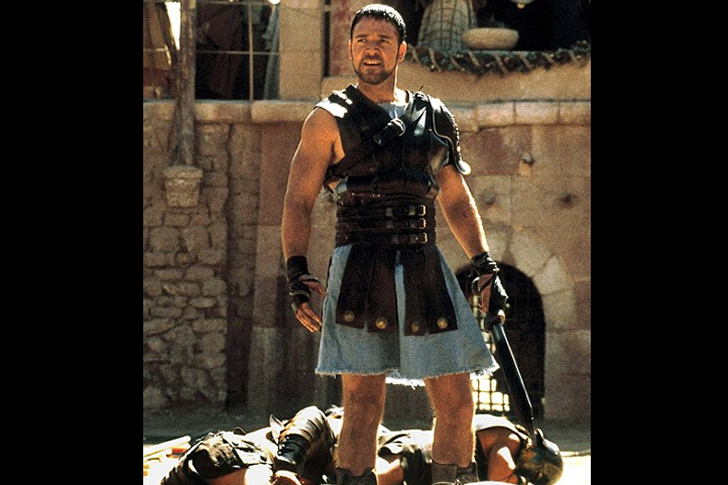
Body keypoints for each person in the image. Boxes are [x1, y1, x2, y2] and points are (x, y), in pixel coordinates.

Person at [281, 5, 509, 485]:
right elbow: (298, 200)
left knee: (458, 401)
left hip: (425, 264)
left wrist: (485, 265)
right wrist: (296, 273)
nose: (371, 49)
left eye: (382, 41)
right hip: (360, 265)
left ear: (402, 50)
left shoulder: (433, 115)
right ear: (350, 49)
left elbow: (456, 199)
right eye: (362, 40)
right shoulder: (327, 119)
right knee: (362, 403)